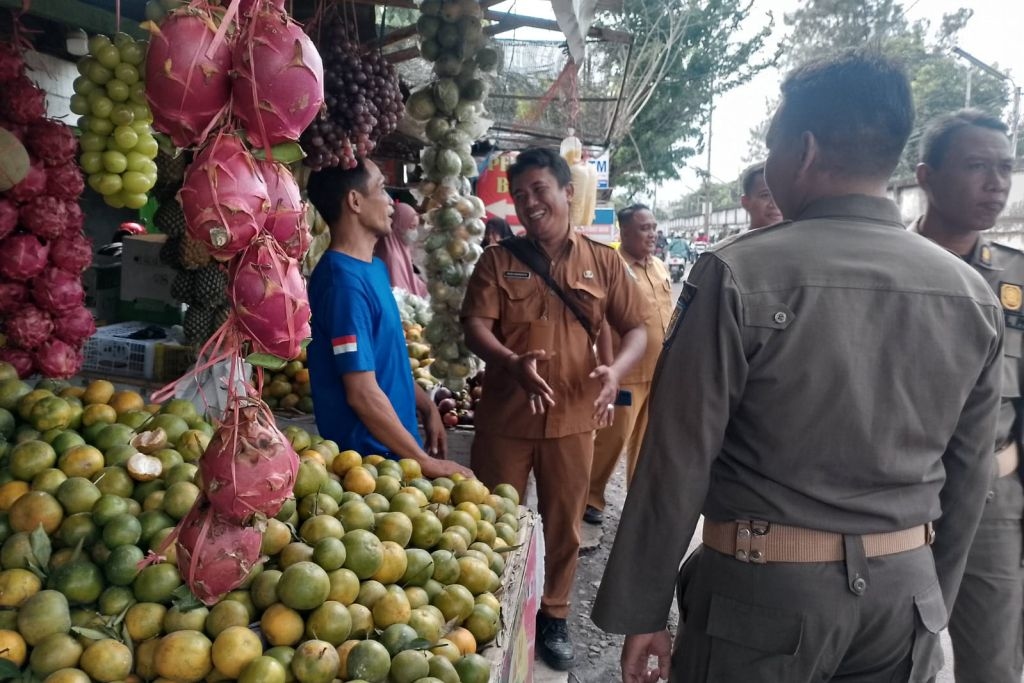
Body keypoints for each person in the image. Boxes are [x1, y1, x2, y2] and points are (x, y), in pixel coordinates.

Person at [593, 49, 1004, 683]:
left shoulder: (738, 274)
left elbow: (678, 457)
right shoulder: (972, 294)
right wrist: (932, 598)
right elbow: (970, 471)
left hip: (762, 603)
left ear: (804, 151)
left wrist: (642, 609)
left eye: (773, 142)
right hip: (905, 596)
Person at [461, 147, 651, 671]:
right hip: (506, 419)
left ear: (568, 192)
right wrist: (508, 359)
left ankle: (554, 614)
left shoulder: (604, 262)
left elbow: (636, 328)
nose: (529, 202)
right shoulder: (498, 260)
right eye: (520, 195)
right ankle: (487, 605)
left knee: (562, 524)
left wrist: (615, 373)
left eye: (539, 189)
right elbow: (475, 324)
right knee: (492, 516)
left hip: (572, 418)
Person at [913, 109, 1019, 683]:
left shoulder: (1016, 282)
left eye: (1005, 168)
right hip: (895, 498)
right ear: (925, 176)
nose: (996, 182)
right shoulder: (880, 268)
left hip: (993, 506)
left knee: (993, 664)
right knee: (888, 656)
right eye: (977, 166)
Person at [305, 159, 471, 479]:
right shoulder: (342, 283)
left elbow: (383, 360)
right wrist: (426, 461)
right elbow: (362, 393)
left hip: (398, 453)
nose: (391, 202)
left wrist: (426, 405)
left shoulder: (374, 269)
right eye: (381, 188)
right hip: (369, 466)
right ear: (355, 201)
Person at [584, 204, 674, 526]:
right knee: (614, 437)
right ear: (624, 232)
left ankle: (638, 498)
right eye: (644, 228)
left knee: (647, 439)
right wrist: (610, 368)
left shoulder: (660, 268)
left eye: (653, 227)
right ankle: (590, 496)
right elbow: (604, 324)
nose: (652, 234)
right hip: (627, 372)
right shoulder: (614, 266)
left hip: (659, 370)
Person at [373, 200, 428, 298]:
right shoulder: (392, 256)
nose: (415, 232)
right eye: (411, 227)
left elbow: (410, 277)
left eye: (416, 227)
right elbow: (399, 292)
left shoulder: (401, 246)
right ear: (399, 226)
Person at [740, 161, 784, 230]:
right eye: (765, 195)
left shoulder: (800, 239)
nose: (776, 204)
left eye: (781, 195)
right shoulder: (738, 241)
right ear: (745, 202)